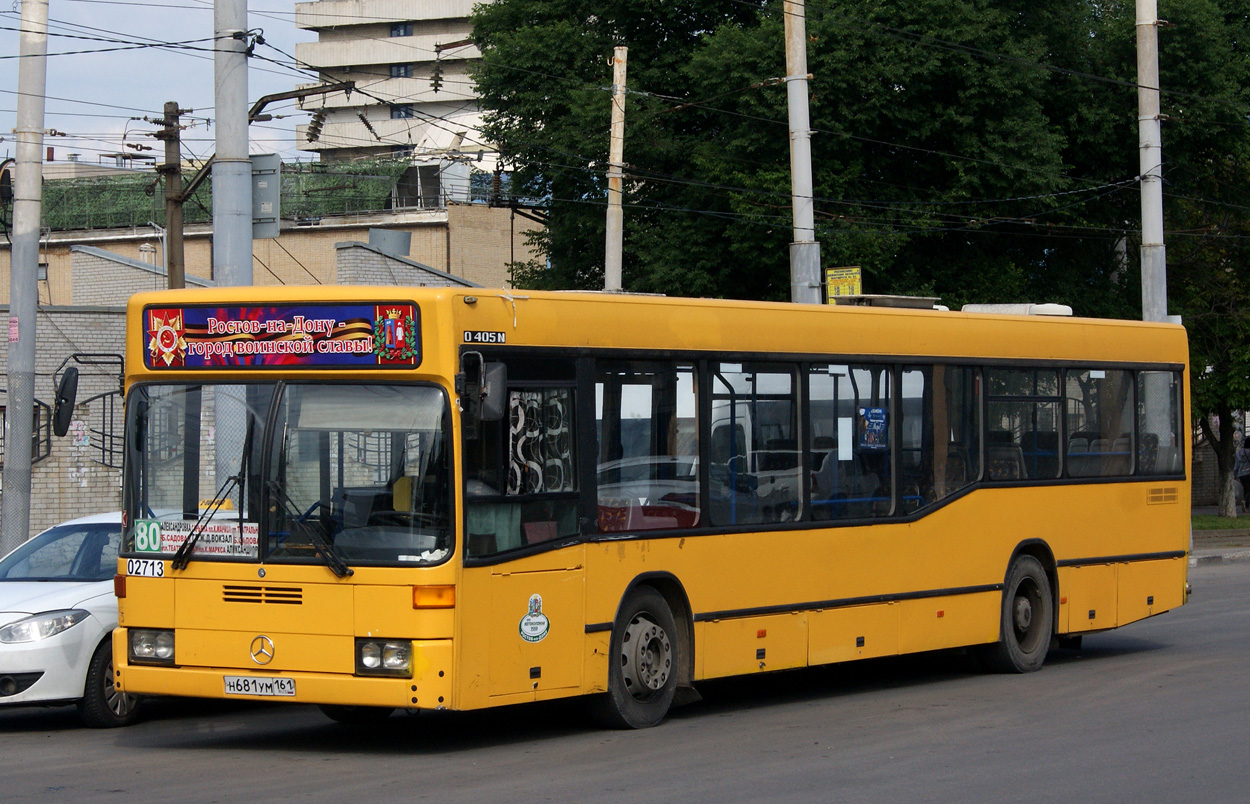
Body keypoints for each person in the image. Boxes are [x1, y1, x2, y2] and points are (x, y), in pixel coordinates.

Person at [1236, 434, 1250, 513]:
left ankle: (1247, 506)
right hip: (1248, 473)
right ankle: (1245, 501)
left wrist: (1235, 474)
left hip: (1241, 474)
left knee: (1246, 489)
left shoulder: (1239, 452)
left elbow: (1236, 465)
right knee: (1248, 490)